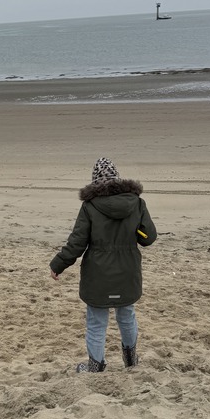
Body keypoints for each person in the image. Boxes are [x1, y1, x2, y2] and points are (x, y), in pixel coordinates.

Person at [50, 157, 157, 372]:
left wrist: (58, 264)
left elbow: (77, 242)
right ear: (117, 178)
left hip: (98, 273)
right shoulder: (137, 203)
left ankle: (96, 365)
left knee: (96, 322)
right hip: (127, 270)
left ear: (94, 180)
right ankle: (131, 360)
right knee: (126, 316)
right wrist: (134, 231)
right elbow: (149, 238)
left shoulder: (90, 206)